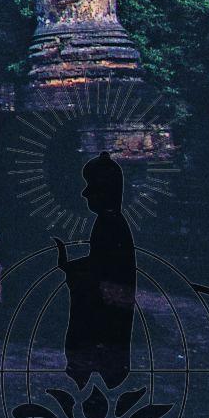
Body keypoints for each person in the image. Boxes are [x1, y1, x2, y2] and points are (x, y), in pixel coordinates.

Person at [53, 151, 136, 387]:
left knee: (100, 337)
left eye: (92, 188)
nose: (85, 194)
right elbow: (102, 260)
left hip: (108, 297)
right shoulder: (109, 223)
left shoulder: (111, 224)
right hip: (109, 295)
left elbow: (107, 267)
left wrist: (74, 271)